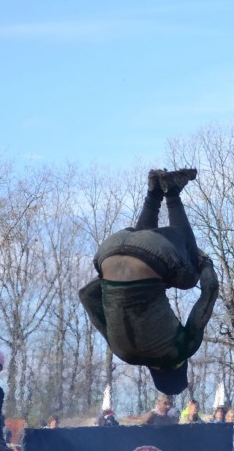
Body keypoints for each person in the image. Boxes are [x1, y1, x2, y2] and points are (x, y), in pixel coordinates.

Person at [79, 168, 219, 395]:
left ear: (179, 369)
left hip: (152, 253)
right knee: (145, 255)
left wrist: (206, 264)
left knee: (191, 275)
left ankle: (173, 190)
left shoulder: (181, 351)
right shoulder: (120, 352)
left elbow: (210, 290)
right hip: (107, 252)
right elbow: (86, 295)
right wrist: (112, 280)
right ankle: (153, 192)